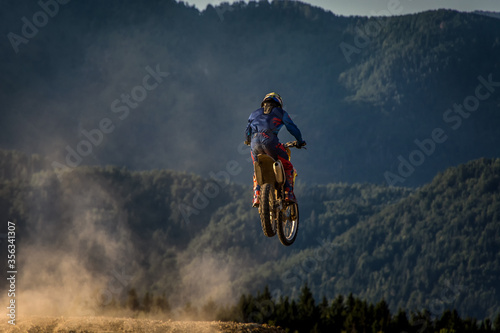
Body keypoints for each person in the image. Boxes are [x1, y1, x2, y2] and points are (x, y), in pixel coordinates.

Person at [245, 92, 306, 207]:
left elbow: (247, 132)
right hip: (270, 143)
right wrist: (300, 141)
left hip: (255, 145)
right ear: (278, 104)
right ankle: (288, 193)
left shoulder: (253, 114)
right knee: (288, 166)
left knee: (257, 167)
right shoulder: (281, 113)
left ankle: (257, 195)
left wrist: (249, 141)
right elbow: (292, 128)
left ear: (264, 103)